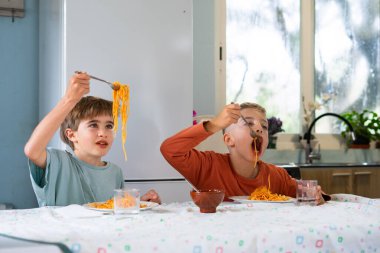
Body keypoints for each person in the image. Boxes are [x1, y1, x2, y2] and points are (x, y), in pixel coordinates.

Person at [24, 72, 160, 206]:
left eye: (109, 126)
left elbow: (113, 210)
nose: (103, 133)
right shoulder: (58, 162)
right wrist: (69, 99)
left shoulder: (115, 172)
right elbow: (32, 150)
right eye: (93, 125)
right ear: (71, 135)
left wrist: (140, 203)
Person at [161, 102, 327, 205]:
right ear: (228, 140)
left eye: (264, 126)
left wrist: (315, 194)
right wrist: (213, 125)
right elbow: (170, 150)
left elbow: (312, 193)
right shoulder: (208, 166)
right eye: (248, 123)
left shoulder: (277, 176)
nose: (258, 129)